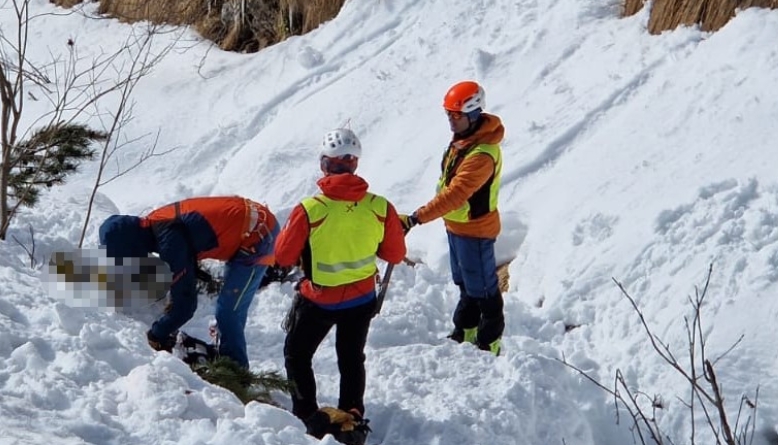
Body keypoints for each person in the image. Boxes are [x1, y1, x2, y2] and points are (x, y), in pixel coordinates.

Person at [276, 128, 406, 443]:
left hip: (318, 299)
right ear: (354, 165)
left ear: (324, 164)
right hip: (361, 298)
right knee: (351, 357)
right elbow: (395, 254)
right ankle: (353, 415)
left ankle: (307, 414)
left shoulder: (310, 209)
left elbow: (282, 256)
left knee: (297, 354)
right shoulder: (380, 207)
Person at [98, 195, 278, 370]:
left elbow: (186, 306)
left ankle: (235, 371)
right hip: (252, 218)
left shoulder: (169, 241)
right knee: (231, 307)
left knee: (228, 310)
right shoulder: (157, 220)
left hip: (257, 236)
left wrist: (157, 333)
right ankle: (229, 355)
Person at [401, 80, 506, 355]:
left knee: (484, 290)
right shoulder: (463, 142)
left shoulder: (482, 155)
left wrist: (415, 219)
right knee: (466, 284)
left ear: (472, 114)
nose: (450, 120)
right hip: (457, 227)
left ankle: (489, 342)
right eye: (448, 113)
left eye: (456, 115)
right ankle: (465, 331)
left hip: (476, 230)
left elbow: (455, 195)